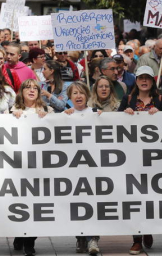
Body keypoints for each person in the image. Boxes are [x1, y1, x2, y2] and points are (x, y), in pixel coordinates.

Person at [117, 66, 162, 255]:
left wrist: (160, 114)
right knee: (135, 197)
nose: (144, 81)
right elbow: (116, 122)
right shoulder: (128, 99)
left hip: (156, 157)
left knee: (152, 196)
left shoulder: (161, 100)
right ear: (136, 81)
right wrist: (126, 113)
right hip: (132, 156)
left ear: (153, 81)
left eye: (147, 78)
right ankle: (137, 238)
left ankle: (149, 228)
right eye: (140, 78)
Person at [11, 79, 53, 256]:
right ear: (21, 91)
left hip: (40, 167)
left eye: (35, 88)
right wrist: (13, 117)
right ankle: (19, 235)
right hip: (18, 167)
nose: (31, 90)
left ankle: (30, 241)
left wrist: (49, 118)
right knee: (20, 203)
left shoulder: (47, 111)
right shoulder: (11, 111)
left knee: (37, 205)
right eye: (27, 87)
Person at [62, 81, 101, 254]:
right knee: (77, 204)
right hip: (73, 168)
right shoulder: (65, 115)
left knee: (93, 203)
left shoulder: (95, 113)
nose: (78, 96)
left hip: (93, 168)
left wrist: (102, 117)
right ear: (69, 97)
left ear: (87, 95)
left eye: (81, 93)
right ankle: (80, 238)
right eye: (74, 93)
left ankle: (93, 239)